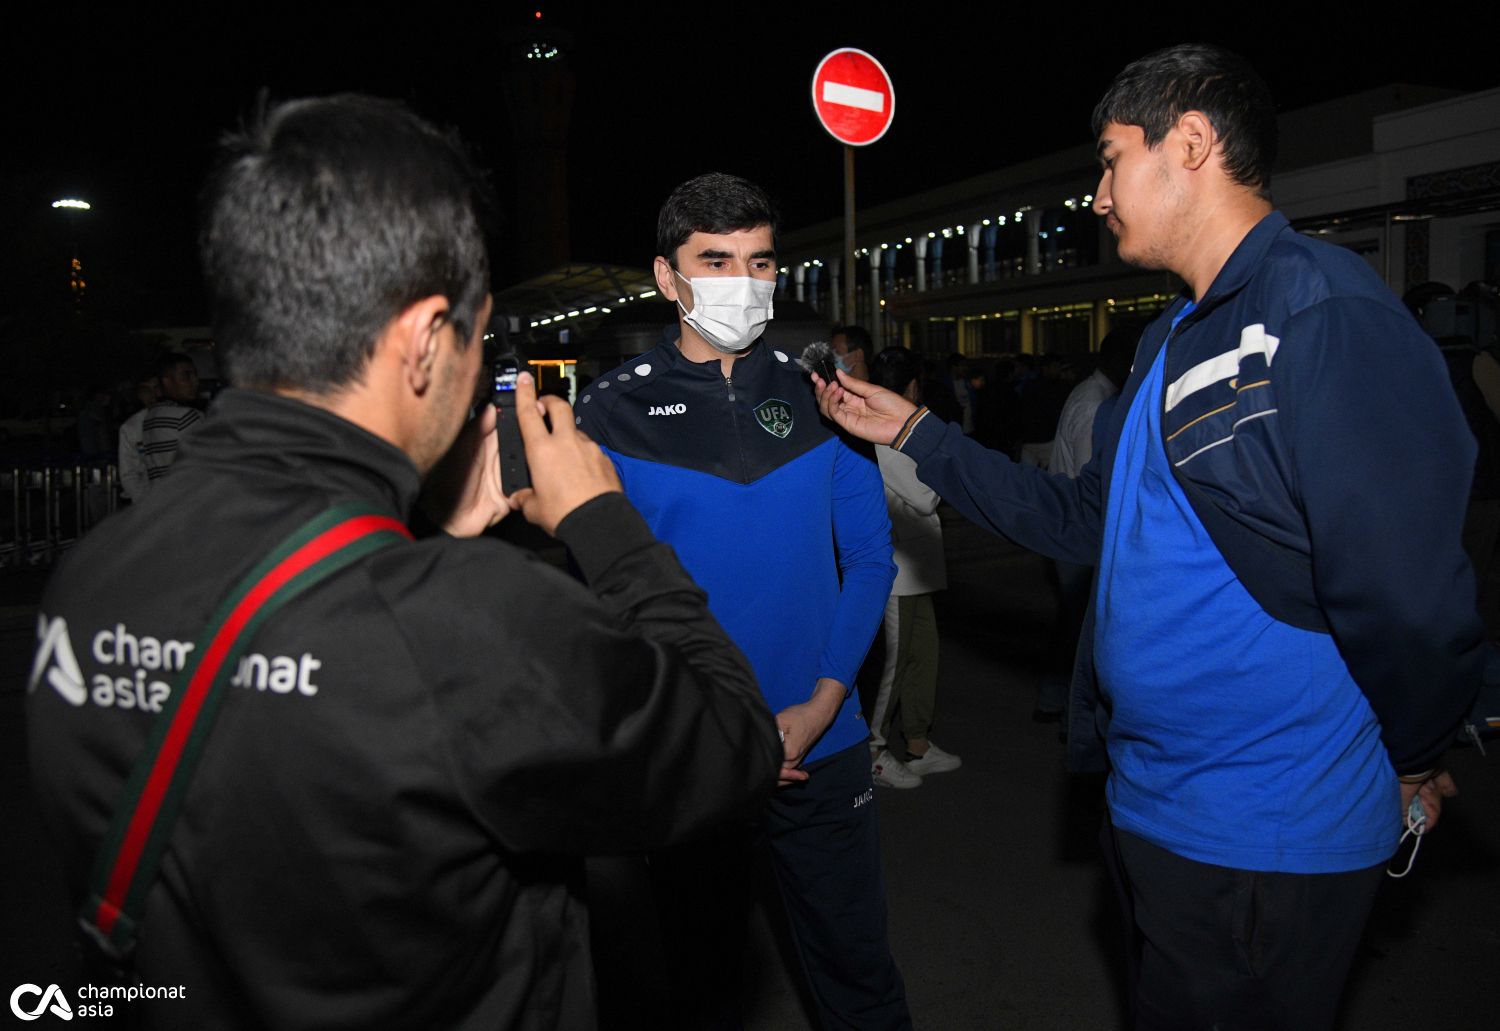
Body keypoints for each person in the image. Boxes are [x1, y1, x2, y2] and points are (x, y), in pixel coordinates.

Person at [27, 96, 780, 1030]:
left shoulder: (90, 576)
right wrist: (602, 522)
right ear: (428, 339)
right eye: (476, 338)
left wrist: (431, 542)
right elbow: (730, 742)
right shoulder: (469, 622)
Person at [814, 44, 1483, 1031]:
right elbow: (1084, 517)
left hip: (1269, 832)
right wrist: (916, 434)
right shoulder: (1172, 335)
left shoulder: (1323, 312)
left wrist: (1421, 746)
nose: (1096, 193)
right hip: (1156, 812)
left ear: (1193, 144)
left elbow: (1406, 591)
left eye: (1111, 158)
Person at [576, 172, 910, 1030]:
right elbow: (604, 596)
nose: (744, 281)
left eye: (760, 262)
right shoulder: (611, 414)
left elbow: (870, 556)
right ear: (667, 275)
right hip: (690, 757)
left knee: (859, 977)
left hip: (825, 740)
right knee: (697, 987)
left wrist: (826, 698)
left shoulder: (819, 393)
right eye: (715, 260)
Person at [1033, 325, 1139, 722]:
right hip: (1076, 530)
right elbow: (1089, 478)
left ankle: (1055, 701)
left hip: (1069, 525)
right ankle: (1069, 711)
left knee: (1073, 623)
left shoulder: (1091, 394)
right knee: (1082, 628)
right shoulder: (1095, 404)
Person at [865, 346, 959, 789]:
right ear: (912, 387)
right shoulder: (887, 433)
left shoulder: (883, 425)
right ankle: (874, 750)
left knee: (924, 654)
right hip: (896, 568)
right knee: (895, 663)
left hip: (914, 565)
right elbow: (925, 497)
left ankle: (917, 743)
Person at [117, 353, 204, 501]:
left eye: (195, 375)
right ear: (166, 382)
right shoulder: (186, 416)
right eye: (186, 376)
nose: (195, 382)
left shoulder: (150, 419)